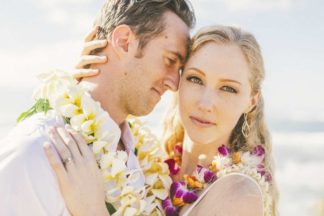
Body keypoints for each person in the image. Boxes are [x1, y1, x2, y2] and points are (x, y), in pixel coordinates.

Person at [46, 25, 279, 215]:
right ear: (176, 81)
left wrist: (92, 211)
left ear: (251, 101)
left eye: (228, 88)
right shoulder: (147, 163)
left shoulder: (238, 195)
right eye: (196, 79)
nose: (206, 103)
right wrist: (86, 91)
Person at [0, 0, 195, 215]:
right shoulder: (35, 155)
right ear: (123, 42)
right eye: (169, 60)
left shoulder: (147, 163)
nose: (174, 84)